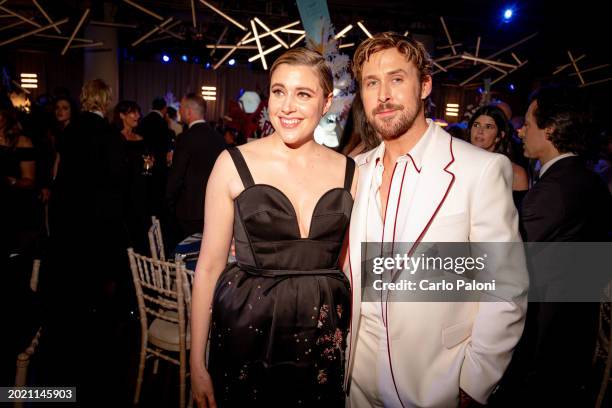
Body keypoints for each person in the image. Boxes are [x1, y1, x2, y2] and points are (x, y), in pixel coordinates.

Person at [346, 32, 528, 407]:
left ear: (425, 85)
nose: (383, 95)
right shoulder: (353, 172)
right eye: (371, 83)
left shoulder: (480, 169)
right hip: (355, 381)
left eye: (397, 79)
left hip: (435, 383)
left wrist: (474, 380)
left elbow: (505, 286)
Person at [190, 47, 357, 407]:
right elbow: (208, 268)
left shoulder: (350, 171)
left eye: (303, 94)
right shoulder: (232, 164)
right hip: (247, 330)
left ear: (326, 102)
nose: (286, 106)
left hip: (322, 335)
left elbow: (350, 266)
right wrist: (196, 361)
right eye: (278, 91)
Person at [508, 87, 612, 406]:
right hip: (578, 332)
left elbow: (507, 264)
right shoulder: (588, 179)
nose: (521, 130)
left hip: (547, 339)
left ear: (550, 128)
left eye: (527, 122)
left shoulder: (553, 191)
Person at [166, 93, 226, 240]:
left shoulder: (185, 138)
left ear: (188, 112)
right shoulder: (219, 138)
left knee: (187, 253)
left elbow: (177, 176)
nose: (179, 111)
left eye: (180, 108)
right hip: (215, 209)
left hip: (189, 210)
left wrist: (168, 202)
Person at [468, 105, 529, 208]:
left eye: (488, 127)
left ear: (499, 136)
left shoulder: (515, 173)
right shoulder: (459, 163)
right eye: (476, 125)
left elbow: (519, 217)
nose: (480, 131)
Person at [113, 100, 150, 253]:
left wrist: (150, 164)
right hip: (123, 193)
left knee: (140, 232)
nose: (138, 116)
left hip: (140, 191)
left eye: (138, 112)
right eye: (133, 113)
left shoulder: (141, 138)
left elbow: (146, 163)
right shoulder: (115, 139)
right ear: (122, 115)